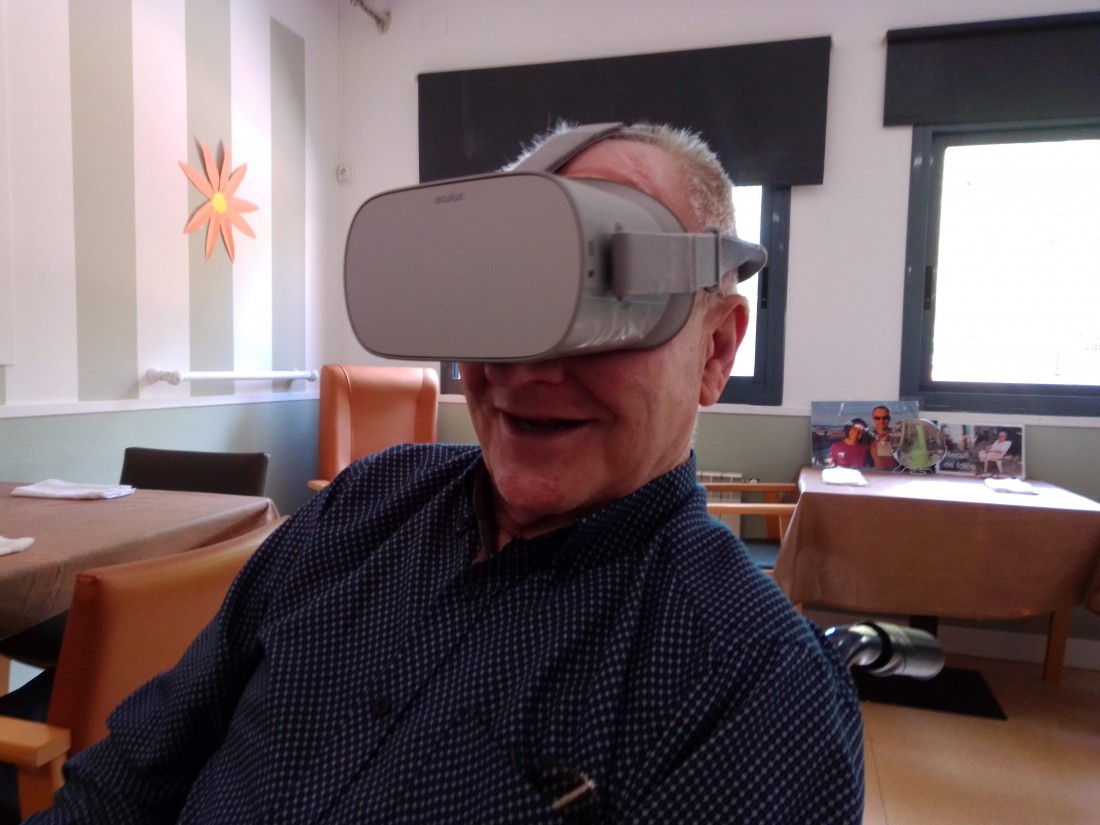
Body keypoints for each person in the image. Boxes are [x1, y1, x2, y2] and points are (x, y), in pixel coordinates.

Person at [31, 124, 863, 823]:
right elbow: (130, 776)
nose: (526, 369)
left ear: (716, 349)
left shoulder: (753, 687)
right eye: (501, 305)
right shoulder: (359, 506)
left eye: (608, 308)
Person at [869, 405, 899, 470]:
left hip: (894, 473)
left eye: (885, 418)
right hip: (875, 473)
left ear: (889, 419)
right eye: (877, 418)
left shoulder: (897, 436)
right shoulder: (868, 437)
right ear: (873, 419)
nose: (881, 421)